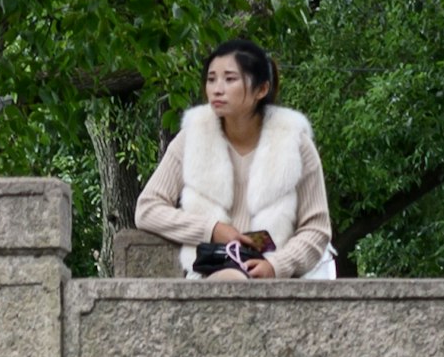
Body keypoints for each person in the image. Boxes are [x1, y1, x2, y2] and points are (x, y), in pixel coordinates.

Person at [133, 42, 332, 280]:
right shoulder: (192, 137)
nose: (217, 89)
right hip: (211, 267)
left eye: (229, 79)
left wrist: (277, 265)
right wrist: (212, 229)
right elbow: (147, 209)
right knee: (229, 281)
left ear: (261, 89)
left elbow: (317, 228)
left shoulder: (294, 143)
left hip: (278, 275)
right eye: (211, 79)